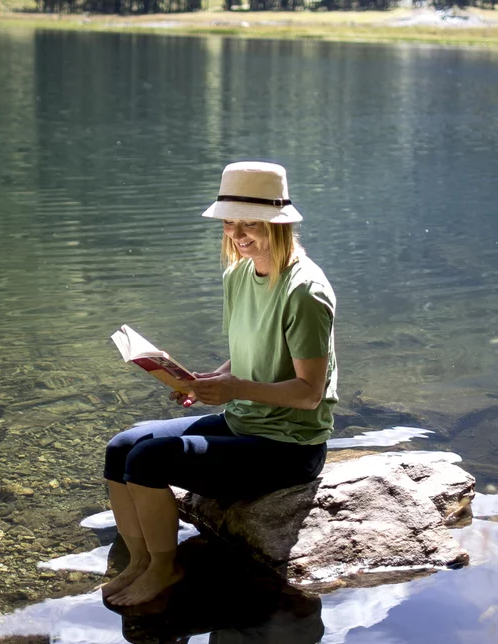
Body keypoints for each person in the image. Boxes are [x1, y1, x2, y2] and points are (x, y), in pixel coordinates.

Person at [100, 161, 338, 607]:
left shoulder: (305, 292)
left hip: (289, 445)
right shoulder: (239, 274)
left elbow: (309, 393)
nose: (238, 234)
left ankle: (165, 567)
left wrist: (234, 389)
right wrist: (209, 379)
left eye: (251, 223)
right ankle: (139, 561)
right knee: (121, 447)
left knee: (150, 459)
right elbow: (256, 348)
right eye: (230, 223)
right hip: (243, 421)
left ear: (278, 223)